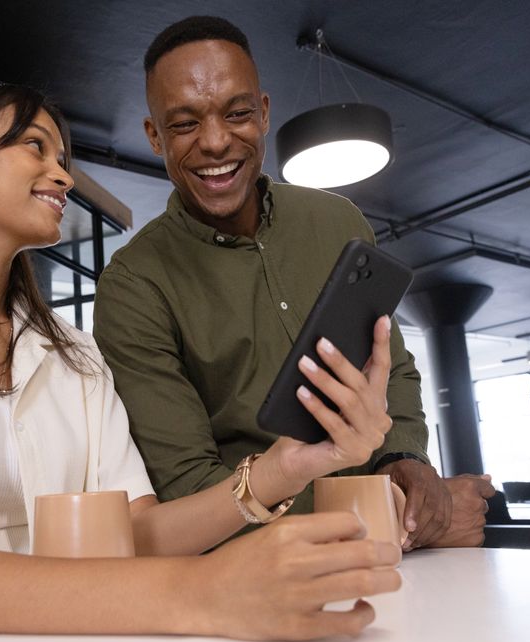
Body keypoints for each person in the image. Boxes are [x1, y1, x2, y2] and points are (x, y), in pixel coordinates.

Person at [0, 79, 404, 642]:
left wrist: (282, 470)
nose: (63, 174)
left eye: (63, 156)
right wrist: (202, 593)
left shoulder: (75, 355)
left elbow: (135, 535)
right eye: (34, 146)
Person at [93, 16, 495, 551]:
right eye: (185, 124)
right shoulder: (133, 287)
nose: (215, 142)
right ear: (153, 136)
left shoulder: (339, 222)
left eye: (236, 114)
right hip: (251, 580)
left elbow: (390, 369)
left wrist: (408, 462)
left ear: (262, 113)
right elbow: (189, 489)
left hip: (396, 570)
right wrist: (393, 522)